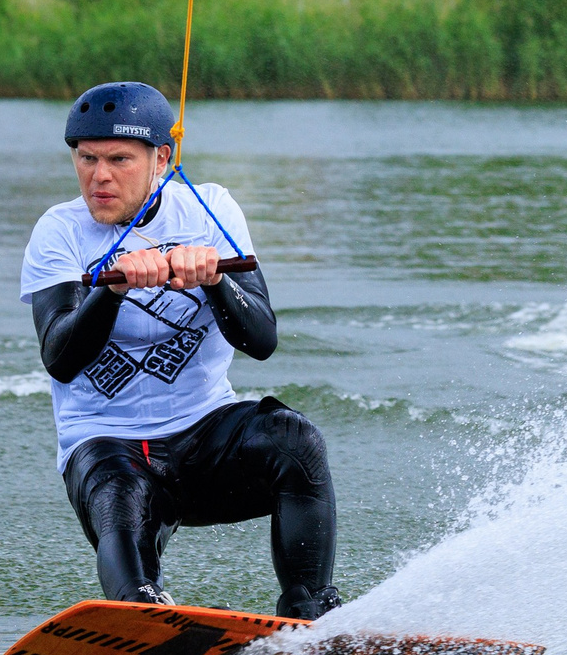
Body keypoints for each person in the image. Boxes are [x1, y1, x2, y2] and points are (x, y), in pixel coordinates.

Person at [19, 80, 341, 620]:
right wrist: (112, 288)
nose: (99, 176)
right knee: (121, 497)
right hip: (108, 446)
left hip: (203, 437)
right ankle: (144, 616)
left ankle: (310, 616)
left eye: (119, 159)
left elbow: (261, 339)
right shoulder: (59, 232)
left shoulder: (209, 210)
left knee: (296, 440)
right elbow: (60, 356)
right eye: (86, 158)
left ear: (161, 159)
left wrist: (215, 280)